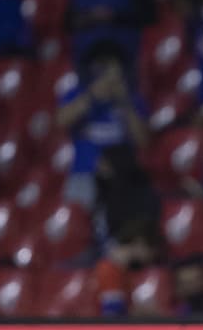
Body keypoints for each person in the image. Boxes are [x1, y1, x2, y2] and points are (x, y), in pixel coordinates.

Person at [56, 40, 150, 211]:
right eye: (102, 69)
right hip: (84, 174)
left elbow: (142, 140)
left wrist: (124, 103)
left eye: (112, 69)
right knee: (77, 218)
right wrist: (92, 96)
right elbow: (61, 121)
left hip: (122, 176)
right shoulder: (78, 94)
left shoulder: (133, 100)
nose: (107, 76)